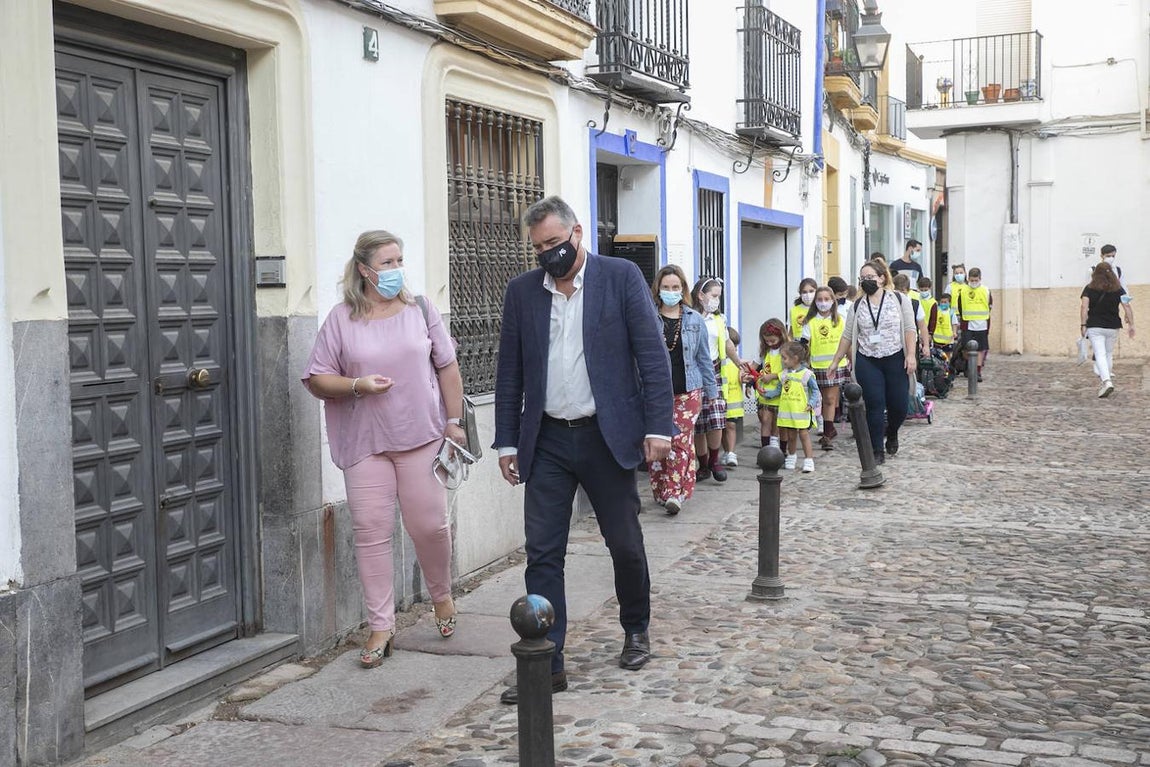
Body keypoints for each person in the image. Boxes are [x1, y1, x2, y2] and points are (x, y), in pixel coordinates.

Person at [493, 196, 673, 703]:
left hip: (606, 435)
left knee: (623, 541)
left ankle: (636, 626)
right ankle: (546, 662)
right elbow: (510, 372)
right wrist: (507, 439)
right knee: (543, 551)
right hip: (547, 438)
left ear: (577, 235)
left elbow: (652, 357)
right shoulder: (523, 292)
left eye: (554, 242)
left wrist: (660, 426)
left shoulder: (619, 278)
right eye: (538, 247)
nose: (547, 253)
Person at [302, 230, 463, 668]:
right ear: (364, 270)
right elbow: (317, 378)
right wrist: (358, 385)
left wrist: (454, 422)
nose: (396, 270)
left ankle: (442, 596)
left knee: (429, 525)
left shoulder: (421, 310)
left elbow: (447, 367)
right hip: (365, 442)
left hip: (420, 435)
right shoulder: (340, 319)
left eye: (399, 261)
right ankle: (381, 627)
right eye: (387, 262)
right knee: (371, 533)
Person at [828, 259, 917, 465]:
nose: (866, 281)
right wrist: (835, 361)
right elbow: (848, 335)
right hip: (868, 360)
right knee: (875, 404)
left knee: (899, 406)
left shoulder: (899, 299)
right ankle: (877, 449)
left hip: (895, 357)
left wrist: (910, 355)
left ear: (882, 278)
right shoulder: (857, 305)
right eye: (862, 278)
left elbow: (910, 329)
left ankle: (892, 431)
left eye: (870, 277)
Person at [648, 265, 717, 515]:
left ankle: (674, 492)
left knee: (679, 441)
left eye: (675, 287)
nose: (671, 291)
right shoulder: (648, 317)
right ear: (658, 289)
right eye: (666, 287)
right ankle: (663, 489)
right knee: (657, 442)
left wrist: (712, 392)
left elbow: (702, 358)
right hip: (656, 392)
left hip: (688, 390)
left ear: (683, 289)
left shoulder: (694, 320)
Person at [692, 277, 744, 483]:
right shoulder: (690, 317)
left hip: (714, 373)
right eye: (713, 296)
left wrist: (738, 361)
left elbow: (727, 342)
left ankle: (714, 460)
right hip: (694, 373)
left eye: (719, 297)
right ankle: (703, 464)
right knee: (698, 424)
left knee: (716, 420)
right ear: (700, 295)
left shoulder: (719, 320)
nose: (716, 300)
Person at [800, 286, 849, 450]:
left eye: (826, 299)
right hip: (817, 366)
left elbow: (846, 341)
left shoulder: (840, 320)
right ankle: (822, 426)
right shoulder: (810, 321)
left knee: (830, 399)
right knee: (817, 398)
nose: (823, 303)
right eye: (820, 300)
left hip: (836, 365)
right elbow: (804, 344)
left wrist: (851, 359)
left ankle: (828, 433)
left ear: (833, 301)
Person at [1081, 261, 1135, 398]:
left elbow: (1084, 307)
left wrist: (1083, 324)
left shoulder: (1089, 288)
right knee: (1108, 354)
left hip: (1095, 326)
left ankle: (1106, 382)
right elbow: (1126, 306)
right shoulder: (1118, 289)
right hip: (1113, 326)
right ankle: (1106, 380)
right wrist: (1131, 324)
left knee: (1100, 354)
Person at [777, 341, 820, 473]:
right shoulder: (784, 374)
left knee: (804, 435)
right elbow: (778, 390)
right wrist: (766, 394)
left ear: (795, 358)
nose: (783, 361)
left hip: (801, 411)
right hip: (789, 413)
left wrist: (811, 403)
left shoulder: (806, 374)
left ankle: (809, 459)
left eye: (784, 358)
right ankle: (792, 455)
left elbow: (815, 391)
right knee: (791, 436)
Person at [748, 319, 787, 449]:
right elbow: (754, 365)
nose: (769, 343)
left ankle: (777, 443)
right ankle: (765, 448)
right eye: (766, 341)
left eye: (772, 341)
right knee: (765, 420)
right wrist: (748, 375)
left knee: (779, 421)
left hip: (781, 391)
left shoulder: (786, 349)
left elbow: (792, 370)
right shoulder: (763, 350)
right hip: (764, 392)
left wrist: (774, 376)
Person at [955, 266, 992, 381]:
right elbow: (960, 306)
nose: (974, 283)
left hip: (982, 323)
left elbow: (989, 305)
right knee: (966, 348)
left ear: (980, 279)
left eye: (976, 280)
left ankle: (977, 371)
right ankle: (968, 366)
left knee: (980, 349)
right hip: (967, 322)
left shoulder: (985, 290)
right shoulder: (964, 290)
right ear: (968, 279)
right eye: (972, 280)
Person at [892, 273, 932, 358]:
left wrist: (926, 345)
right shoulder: (890, 303)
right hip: (893, 345)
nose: (900, 295)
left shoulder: (915, 304)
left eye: (903, 291)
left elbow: (923, 326)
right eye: (897, 291)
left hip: (911, 344)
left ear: (908, 290)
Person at [721, 327, 744, 467]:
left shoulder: (738, 363)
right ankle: (726, 450)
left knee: (730, 426)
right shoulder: (720, 362)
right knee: (722, 428)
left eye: (735, 346)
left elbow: (743, 377)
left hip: (733, 402)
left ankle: (731, 453)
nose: (733, 350)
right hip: (722, 400)